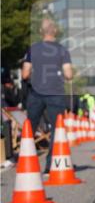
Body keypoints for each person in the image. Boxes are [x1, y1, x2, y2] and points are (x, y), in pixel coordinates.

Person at [22, 18, 73, 173]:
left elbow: (25, 74)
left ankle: (26, 163)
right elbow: (68, 74)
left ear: (40, 32)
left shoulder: (32, 49)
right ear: (55, 31)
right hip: (55, 93)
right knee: (56, 130)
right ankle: (50, 165)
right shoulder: (62, 50)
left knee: (29, 128)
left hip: (36, 93)